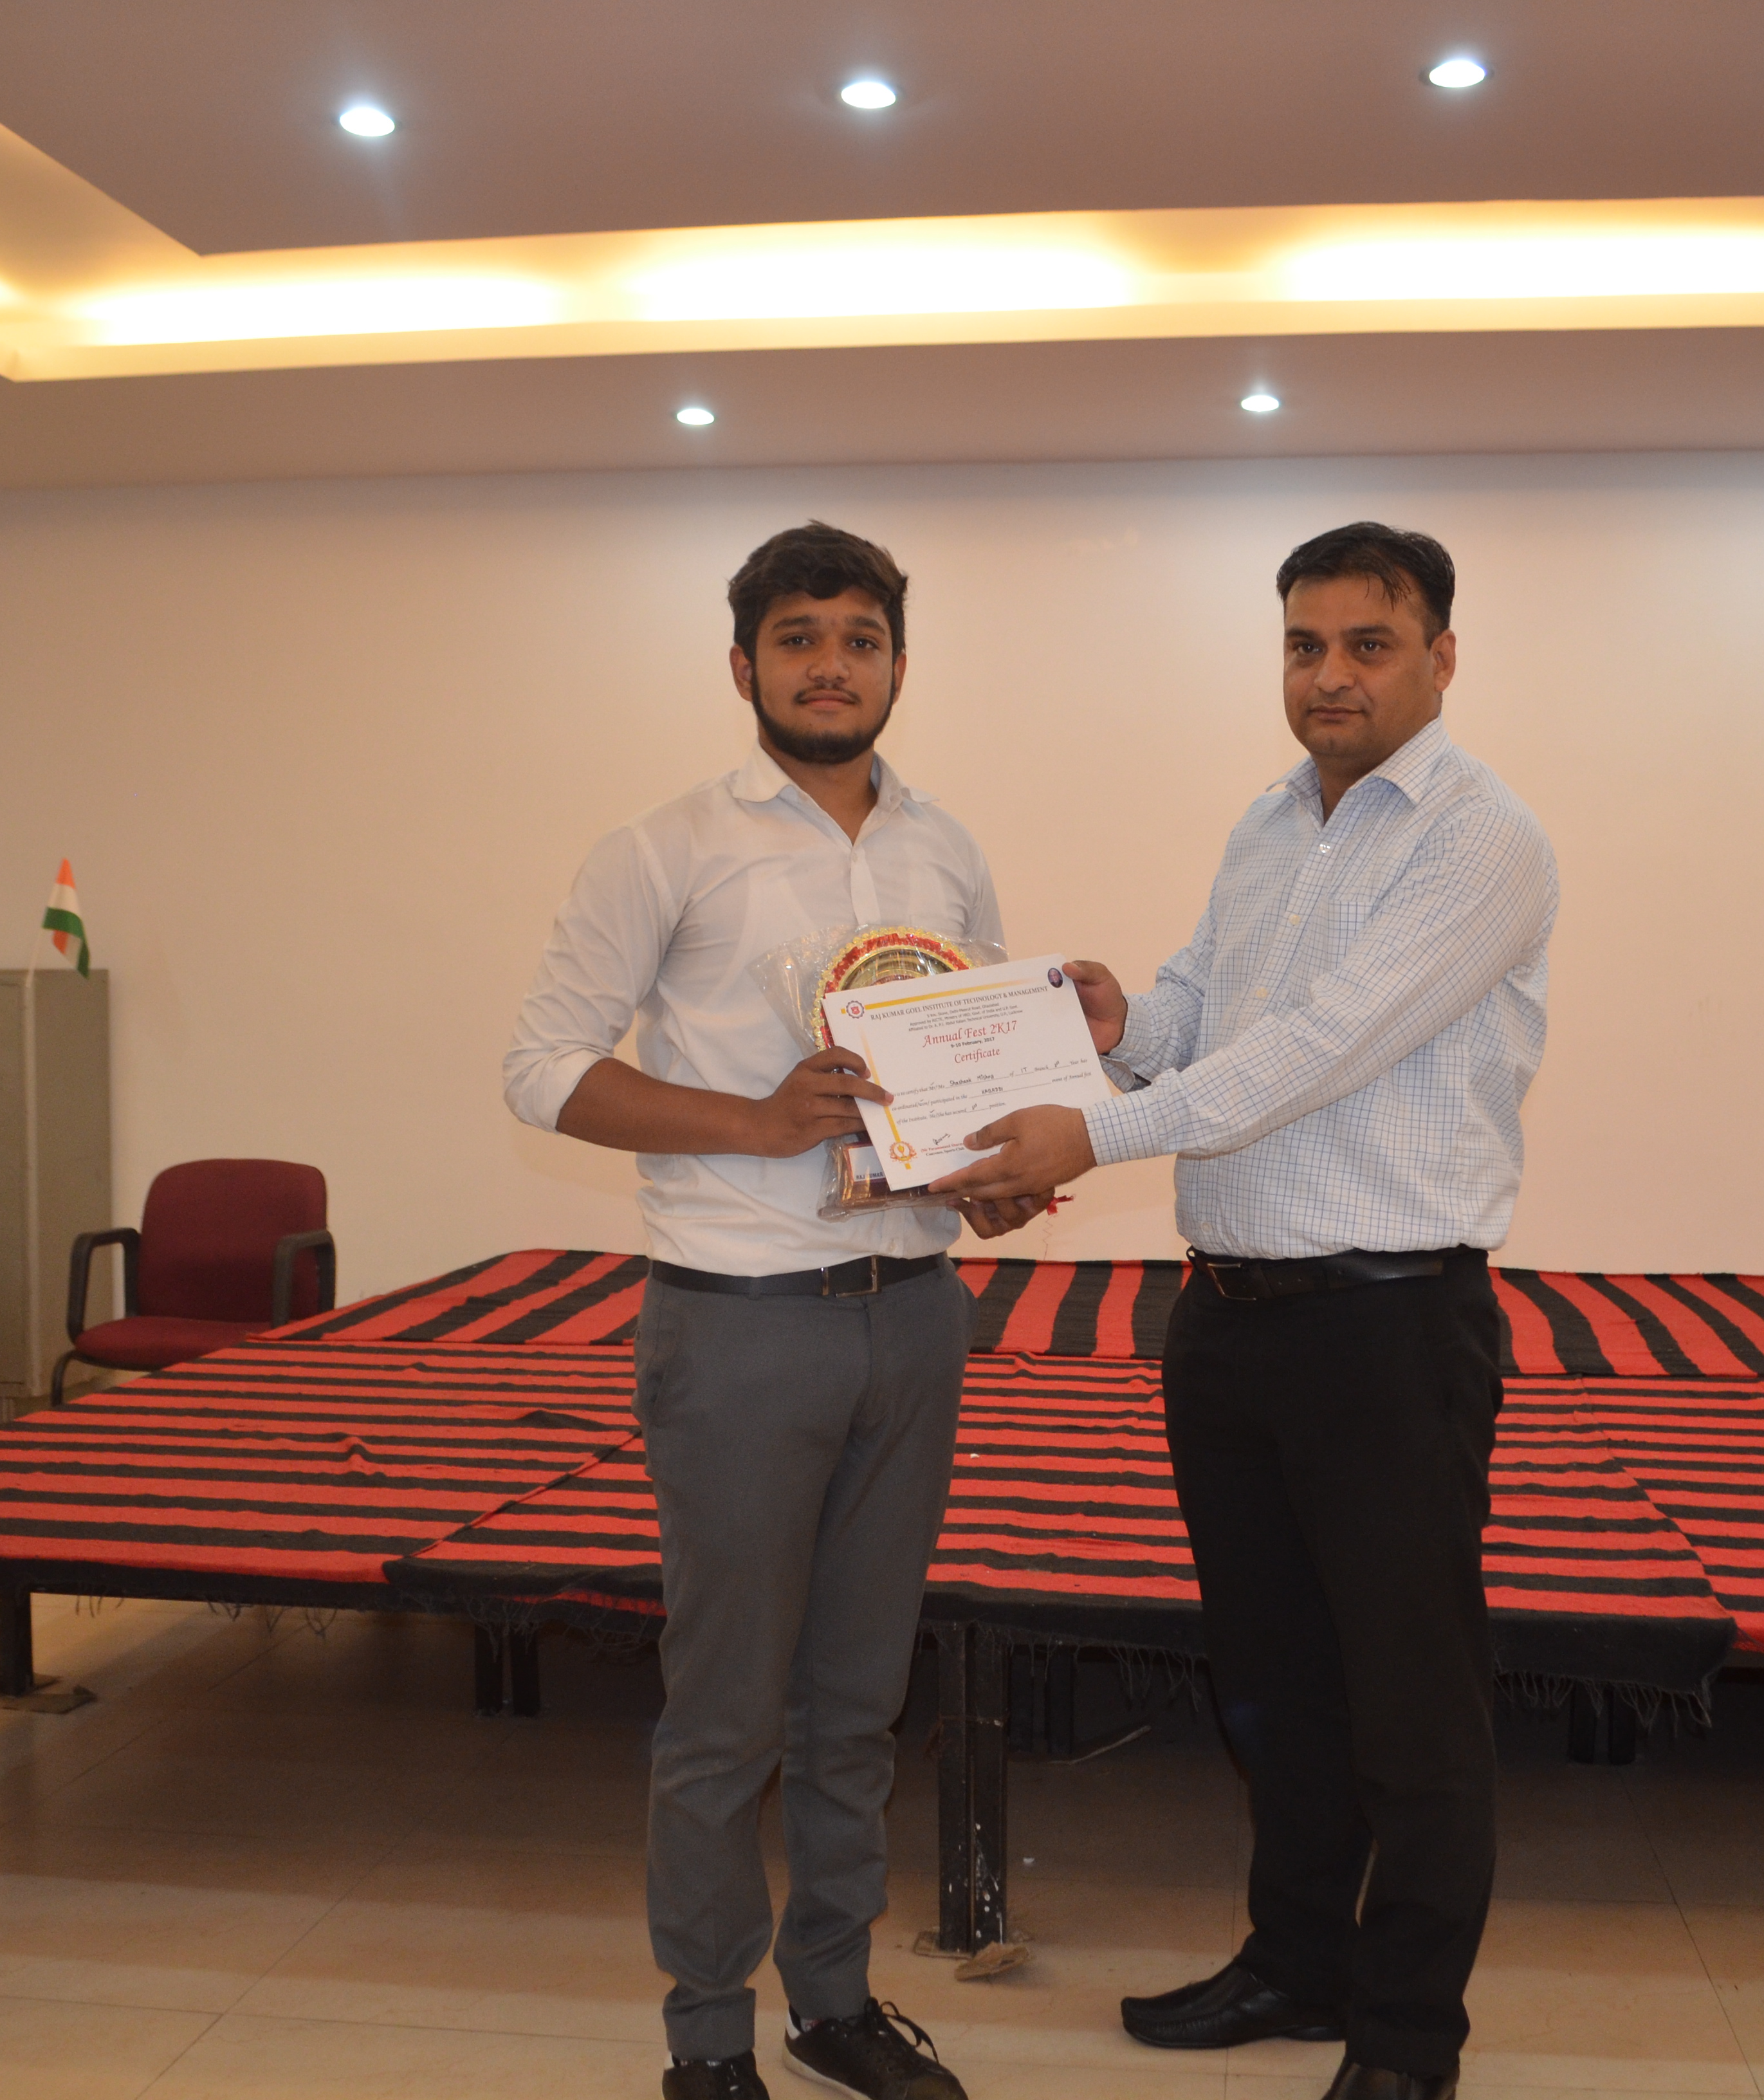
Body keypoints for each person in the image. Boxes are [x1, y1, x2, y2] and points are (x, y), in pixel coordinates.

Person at [935, 523, 1559, 2100]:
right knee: (1273, 1684)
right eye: (1303, 645)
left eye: (1368, 644)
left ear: (1441, 658)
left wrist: (1096, 1128)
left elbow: (1321, 1050)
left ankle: (1408, 2042)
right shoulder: (1272, 820)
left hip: (1389, 1327)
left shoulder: (1483, 839)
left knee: (1411, 1708)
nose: (1330, 675)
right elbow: (1214, 1013)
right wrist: (1118, 1023)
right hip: (1228, 1322)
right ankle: (1296, 1964)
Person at [505, 522, 1024, 2100]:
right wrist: (755, 1119)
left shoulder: (946, 851)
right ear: (743, 666)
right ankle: (706, 2035)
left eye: (859, 639)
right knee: (727, 1711)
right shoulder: (661, 847)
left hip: (913, 1313)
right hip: (737, 1320)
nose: (829, 665)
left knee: (859, 1700)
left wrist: (987, 1174)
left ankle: (834, 2005)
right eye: (798, 638)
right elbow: (541, 1069)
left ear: (899, 666)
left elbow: (962, 1063)